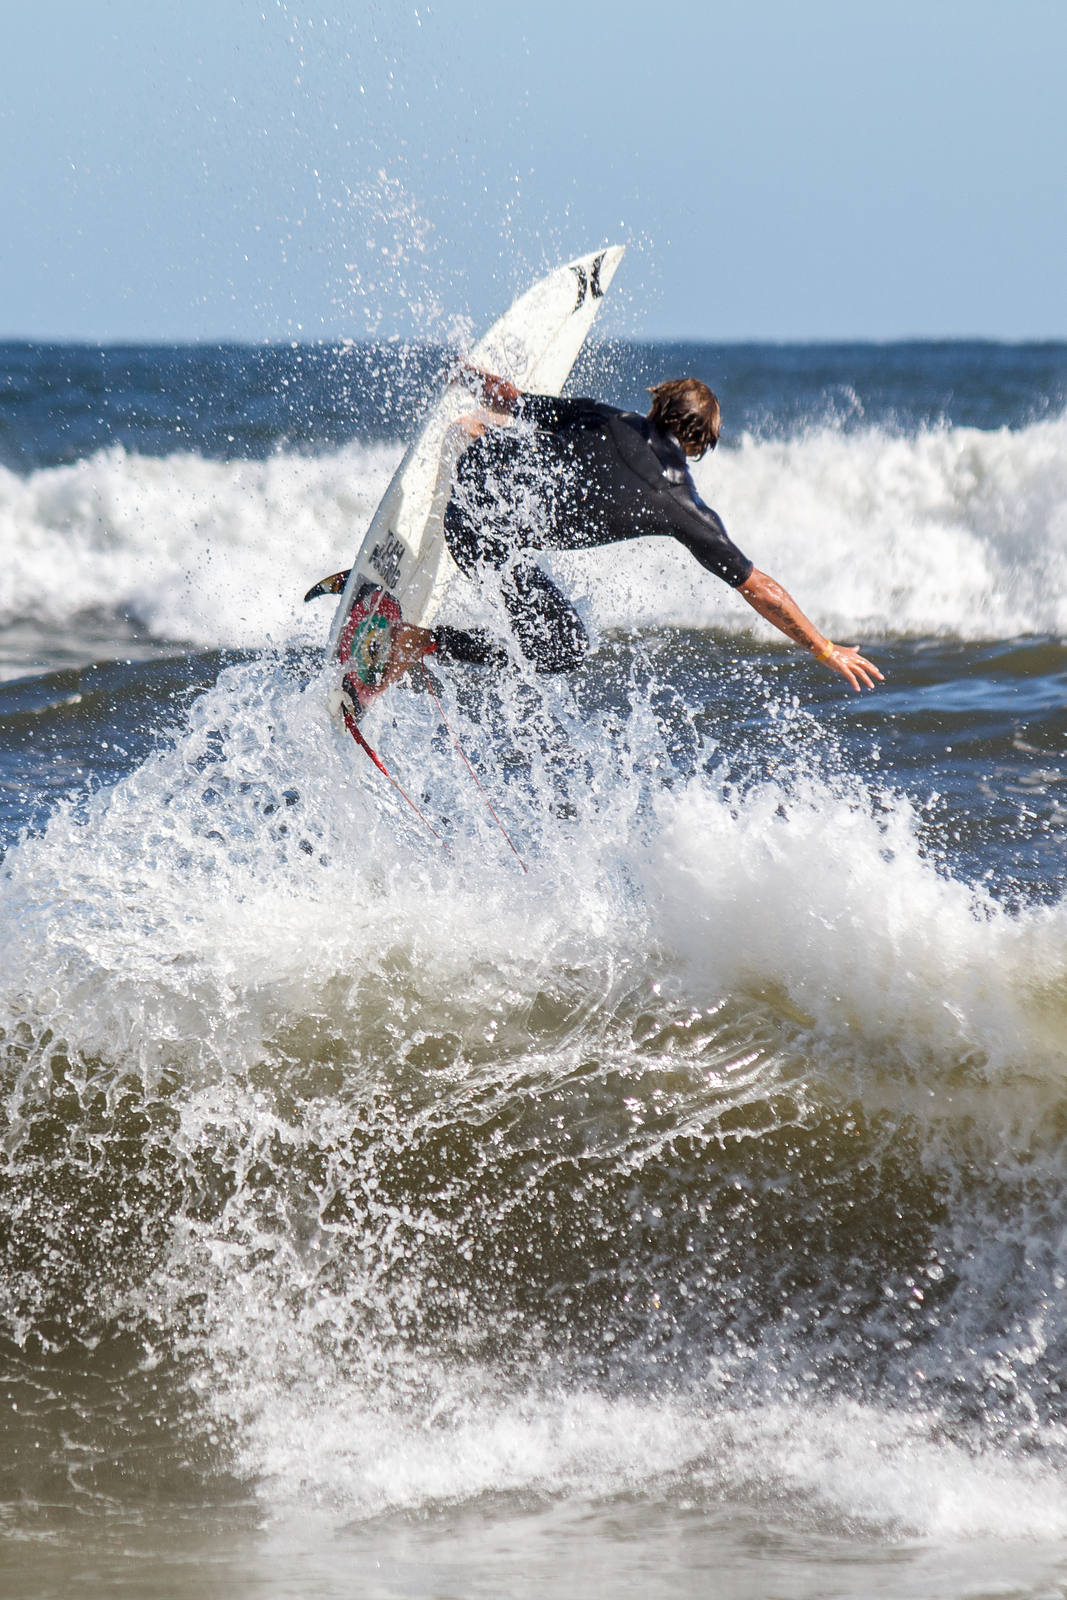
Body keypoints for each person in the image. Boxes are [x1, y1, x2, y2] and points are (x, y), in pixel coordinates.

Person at [324, 367, 883, 696]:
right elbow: (760, 587)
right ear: (700, 444)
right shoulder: (684, 509)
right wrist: (823, 646)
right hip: (485, 542)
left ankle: (471, 434)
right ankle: (420, 644)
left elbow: (515, 399)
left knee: (512, 439)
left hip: (477, 483)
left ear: (660, 403)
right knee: (561, 650)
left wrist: (465, 372)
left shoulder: (608, 417)